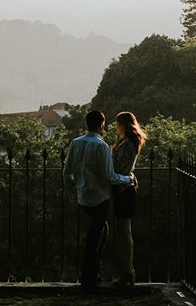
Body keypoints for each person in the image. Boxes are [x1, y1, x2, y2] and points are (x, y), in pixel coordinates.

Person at [63, 109, 134, 292]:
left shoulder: (75, 143)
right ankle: (88, 278)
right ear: (101, 124)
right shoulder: (101, 146)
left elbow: (66, 172)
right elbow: (110, 176)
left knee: (101, 231)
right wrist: (129, 179)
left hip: (83, 197)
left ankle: (94, 272)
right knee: (95, 238)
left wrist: (79, 183)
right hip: (99, 198)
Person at [111, 111, 147, 288]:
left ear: (122, 124)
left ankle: (128, 272)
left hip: (124, 189)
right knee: (124, 230)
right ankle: (127, 271)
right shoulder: (127, 142)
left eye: (117, 124)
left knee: (124, 231)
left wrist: (109, 154)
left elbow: (118, 167)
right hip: (124, 187)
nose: (115, 127)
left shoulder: (127, 144)